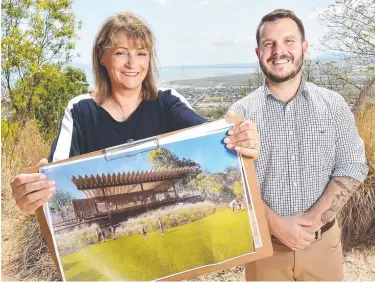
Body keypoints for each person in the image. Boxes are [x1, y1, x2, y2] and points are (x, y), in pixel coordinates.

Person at [10, 12, 260, 219]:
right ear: (102, 56)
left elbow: (214, 137)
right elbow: (54, 175)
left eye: (141, 53)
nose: (132, 63)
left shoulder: (167, 101)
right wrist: (33, 193)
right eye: (121, 52)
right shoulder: (80, 110)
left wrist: (241, 138)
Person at [229, 9, 368, 281]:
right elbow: (233, 183)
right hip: (265, 251)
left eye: (289, 41)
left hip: (323, 246)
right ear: (259, 53)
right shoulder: (239, 113)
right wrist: (276, 224)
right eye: (269, 43)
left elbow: (352, 165)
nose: (279, 50)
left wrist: (313, 221)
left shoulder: (334, 104)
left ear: (304, 47)